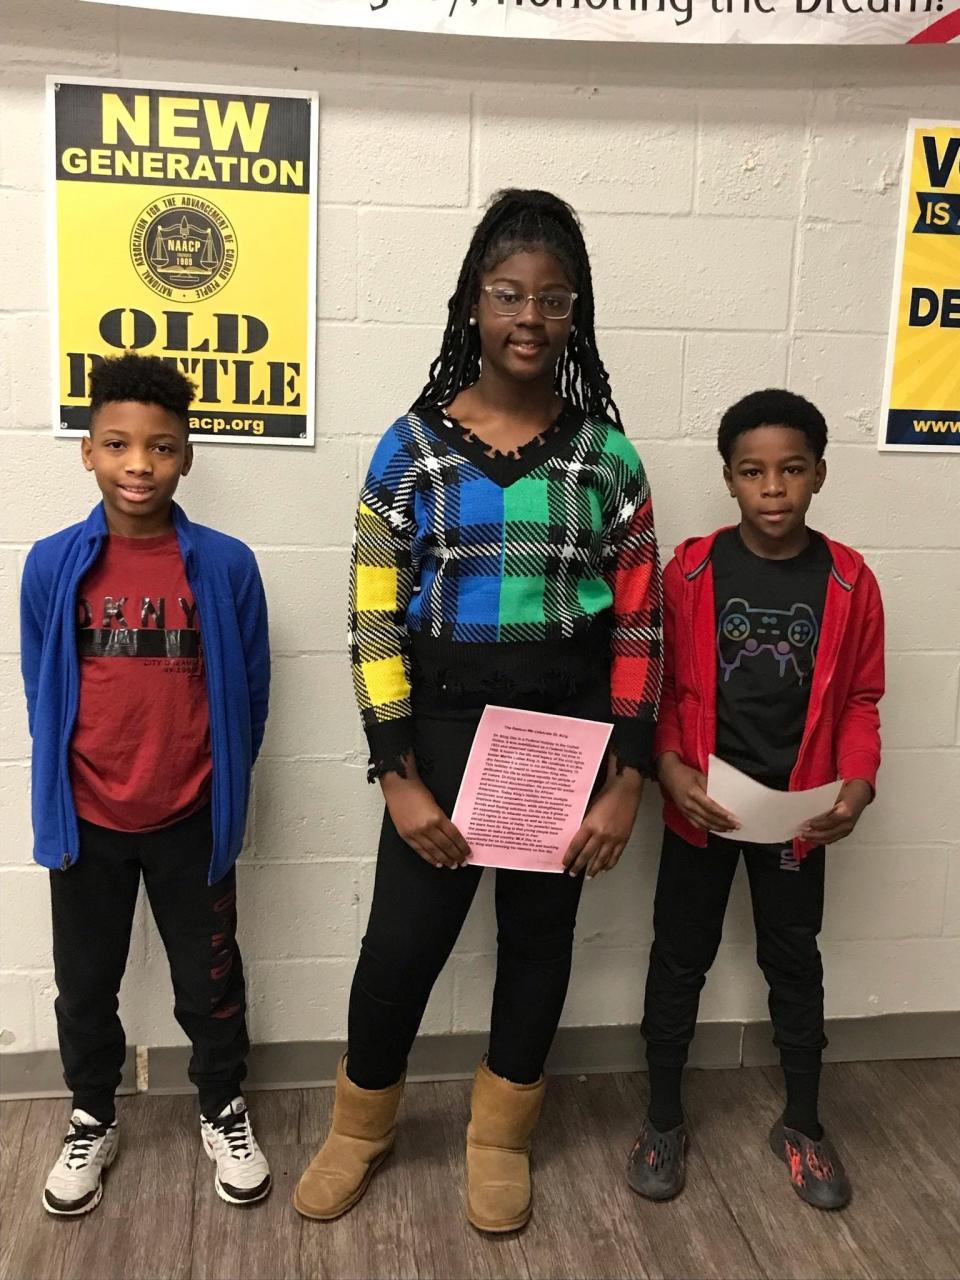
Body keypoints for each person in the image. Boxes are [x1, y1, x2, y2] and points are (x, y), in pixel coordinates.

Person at [295, 189, 662, 1233]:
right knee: (402, 947)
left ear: (577, 315)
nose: (530, 317)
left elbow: (640, 628)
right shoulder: (407, 451)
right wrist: (399, 773)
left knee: (538, 942)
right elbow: (372, 621)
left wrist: (626, 775)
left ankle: (500, 1135)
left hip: (565, 735)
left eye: (554, 298)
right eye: (508, 293)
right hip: (442, 738)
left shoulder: (610, 460)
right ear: (471, 305)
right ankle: (360, 1125)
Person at [20, 353, 272, 1214]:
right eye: (119, 445)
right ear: (87, 453)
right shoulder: (51, 566)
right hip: (86, 822)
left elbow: (251, 695)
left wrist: (220, 789)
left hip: (191, 819)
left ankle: (222, 1105)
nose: (140, 464)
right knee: (84, 985)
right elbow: (41, 690)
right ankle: (92, 1112)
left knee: (210, 983)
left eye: (161, 447)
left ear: (187, 456)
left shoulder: (228, 567)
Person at [628, 389, 884, 1211]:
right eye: (753, 472)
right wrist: (670, 768)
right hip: (702, 816)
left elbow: (859, 702)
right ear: (729, 479)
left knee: (794, 965)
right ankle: (663, 1118)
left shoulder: (850, 579)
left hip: (795, 824)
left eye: (791, 470)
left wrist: (857, 784)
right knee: (678, 962)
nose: (773, 488)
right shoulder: (692, 571)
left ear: (818, 476)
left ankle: (803, 1124)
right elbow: (656, 688)